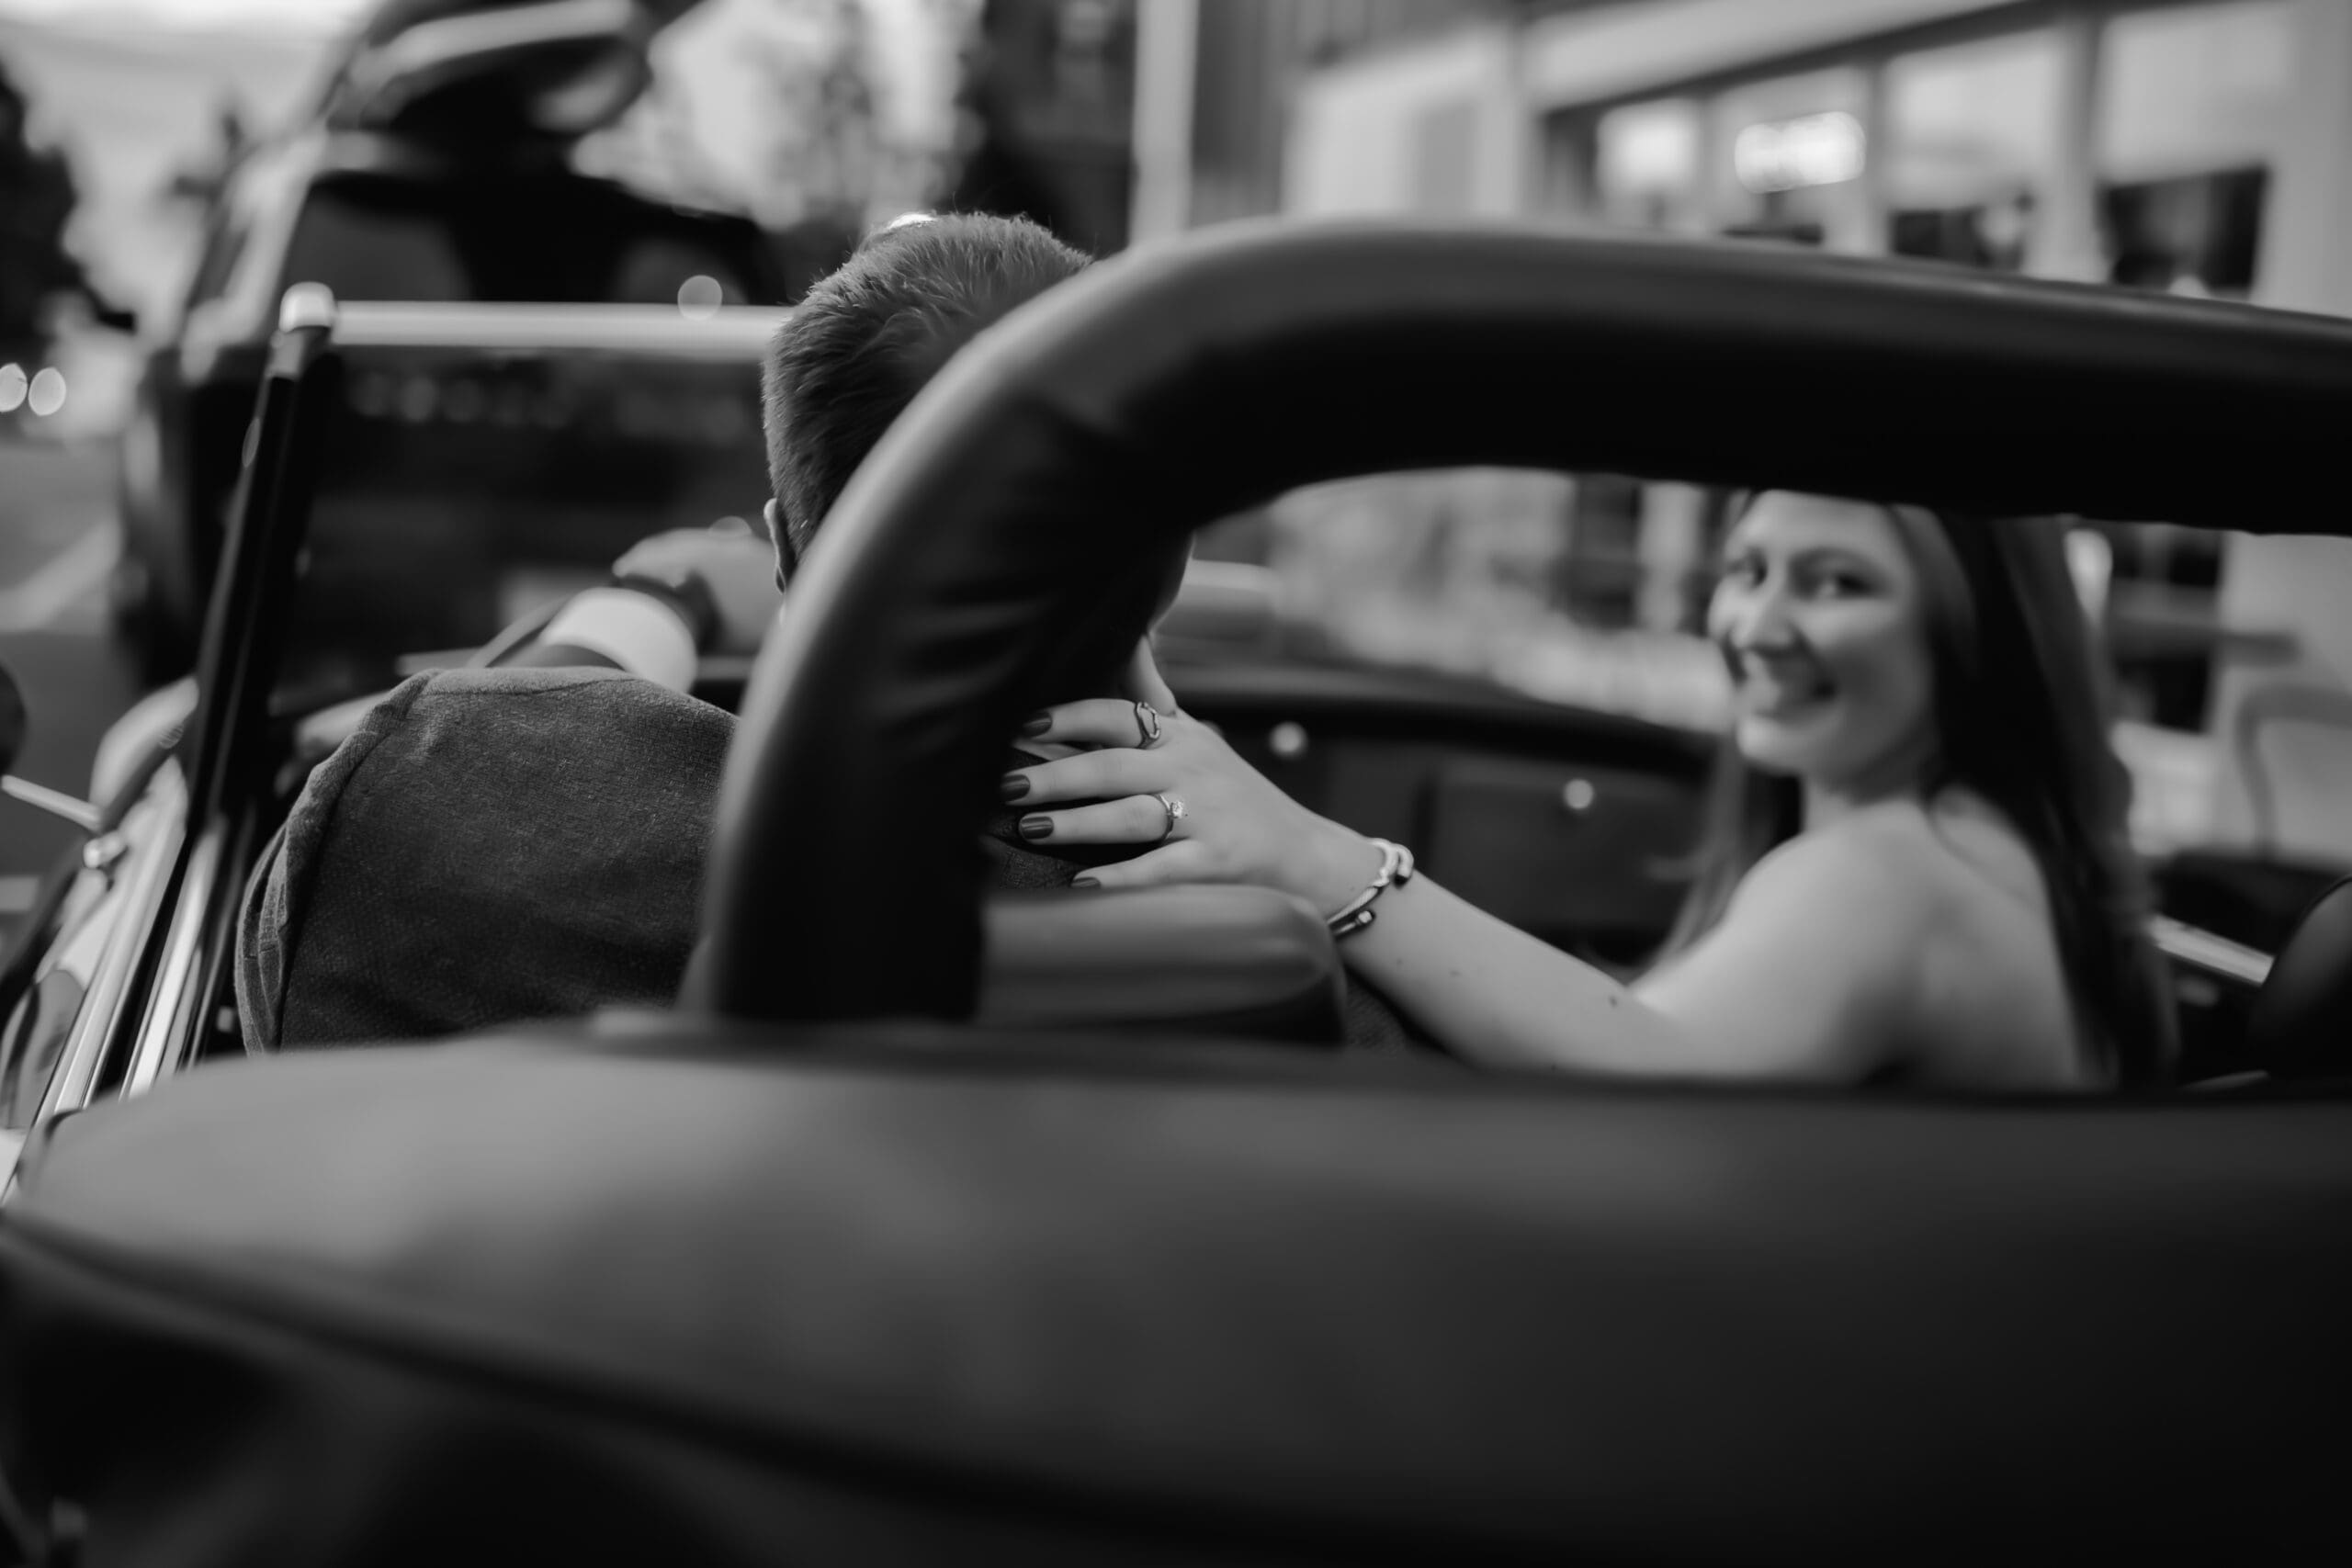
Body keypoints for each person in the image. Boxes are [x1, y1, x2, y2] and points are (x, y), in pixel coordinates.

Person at [237, 212, 1193, 1047]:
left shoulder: (425, 810)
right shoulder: (1253, 929)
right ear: (1175, 558)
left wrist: (668, 594)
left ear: (785, 556)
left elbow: (505, 745)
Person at [1001, 491, 2177, 1089]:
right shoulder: (1982, 847)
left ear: (1974, 632)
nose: (1758, 624)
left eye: (1835, 584)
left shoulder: (1893, 870)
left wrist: (1315, 859)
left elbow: (1654, 1080)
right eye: (1748, 568)